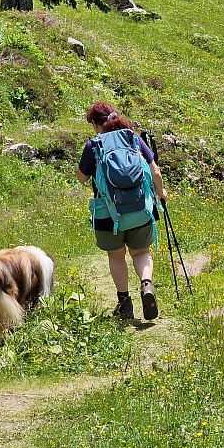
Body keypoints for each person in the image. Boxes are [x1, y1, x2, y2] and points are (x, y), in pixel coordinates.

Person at [76, 102, 168, 320]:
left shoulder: (94, 145)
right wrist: (161, 192)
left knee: (116, 256)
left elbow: (82, 177)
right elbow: (155, 170)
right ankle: (146, 285)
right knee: (142, 252)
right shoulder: (132, 138)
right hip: (140, 209)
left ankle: (125, 304)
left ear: (95, 124)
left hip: (109, 214)